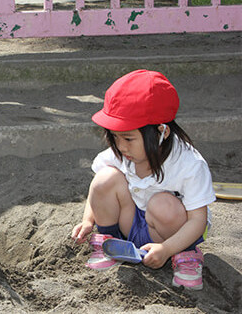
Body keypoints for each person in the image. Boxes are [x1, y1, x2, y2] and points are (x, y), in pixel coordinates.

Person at [70, 70, 215, 290]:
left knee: (162, 204)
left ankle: (185, 254)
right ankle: (110, 241)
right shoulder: (122, 153)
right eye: (115, 136)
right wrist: (88, 220)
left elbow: (198, 220)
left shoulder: (189, 164)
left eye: (128, 138)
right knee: (104, 178)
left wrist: (166, 249)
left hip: (170, 232)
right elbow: (98, 191)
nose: (121, 146)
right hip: (132, 222)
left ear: (161, 132)